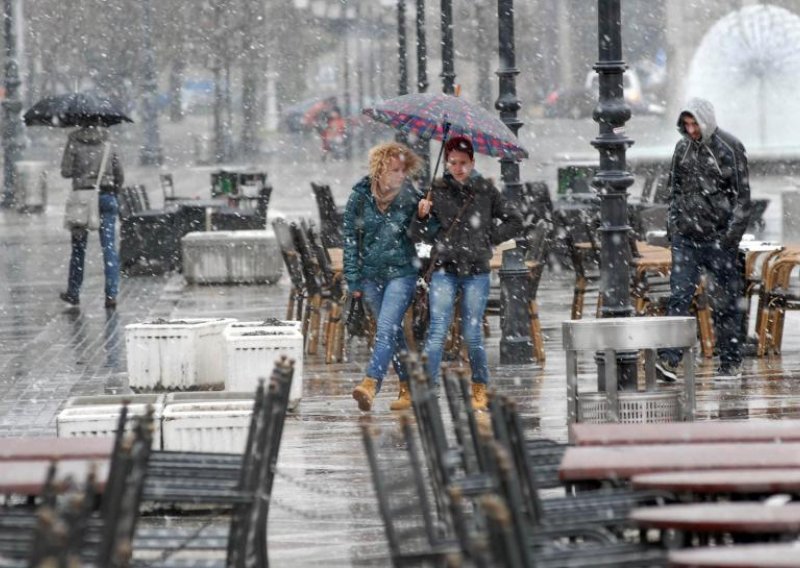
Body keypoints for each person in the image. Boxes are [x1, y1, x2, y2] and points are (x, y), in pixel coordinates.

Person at [410, 136, 523, 410]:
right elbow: (418, 235)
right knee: (437, 330)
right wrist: (421, 216)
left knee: (472, 333)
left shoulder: (484, 190)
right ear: (446, 163)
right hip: (445, 269)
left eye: (463, 163)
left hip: (476, 270)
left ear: (472, 163)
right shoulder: (435, 191)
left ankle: (479, 386)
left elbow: (514, 220)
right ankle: (428, 387)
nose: (457, 168)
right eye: (452, 163)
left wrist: (488, 238)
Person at [656, 97, 751, 381]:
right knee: (679, 297)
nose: (691, 129)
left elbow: (743, 199)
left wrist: (729, 240)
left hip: (718, 239)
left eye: (694, 123)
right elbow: (674, 190)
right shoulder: (681, 148)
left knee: (726, 302)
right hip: (687, 239)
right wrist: (674, 228)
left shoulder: (730, 147)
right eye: (686, 124)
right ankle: (669, 360)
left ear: (706, 120)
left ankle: (730, 361)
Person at [346, 142, 422, 412]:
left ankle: (371, 382)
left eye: (403, 170)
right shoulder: (360, 196)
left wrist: (426, 216)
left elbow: (427, 232)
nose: (400, 175)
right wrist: (353, 279)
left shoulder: (411, 196)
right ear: (379, 169)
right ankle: (408, 387)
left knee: (387, 327)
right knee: (393, 331)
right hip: (371, 276)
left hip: (402, 272)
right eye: (394, 170)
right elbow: (350, 240)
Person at [59, 123, 124, 309]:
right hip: (106, 196)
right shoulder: (108, 140)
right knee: (109, 247)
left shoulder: (74, 139)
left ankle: (73, 292)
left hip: (83, 199)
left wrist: (81, 170)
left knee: (79, 249)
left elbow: (66, 171)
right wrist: (112, 189)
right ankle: (111, 295)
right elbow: (119, 173)